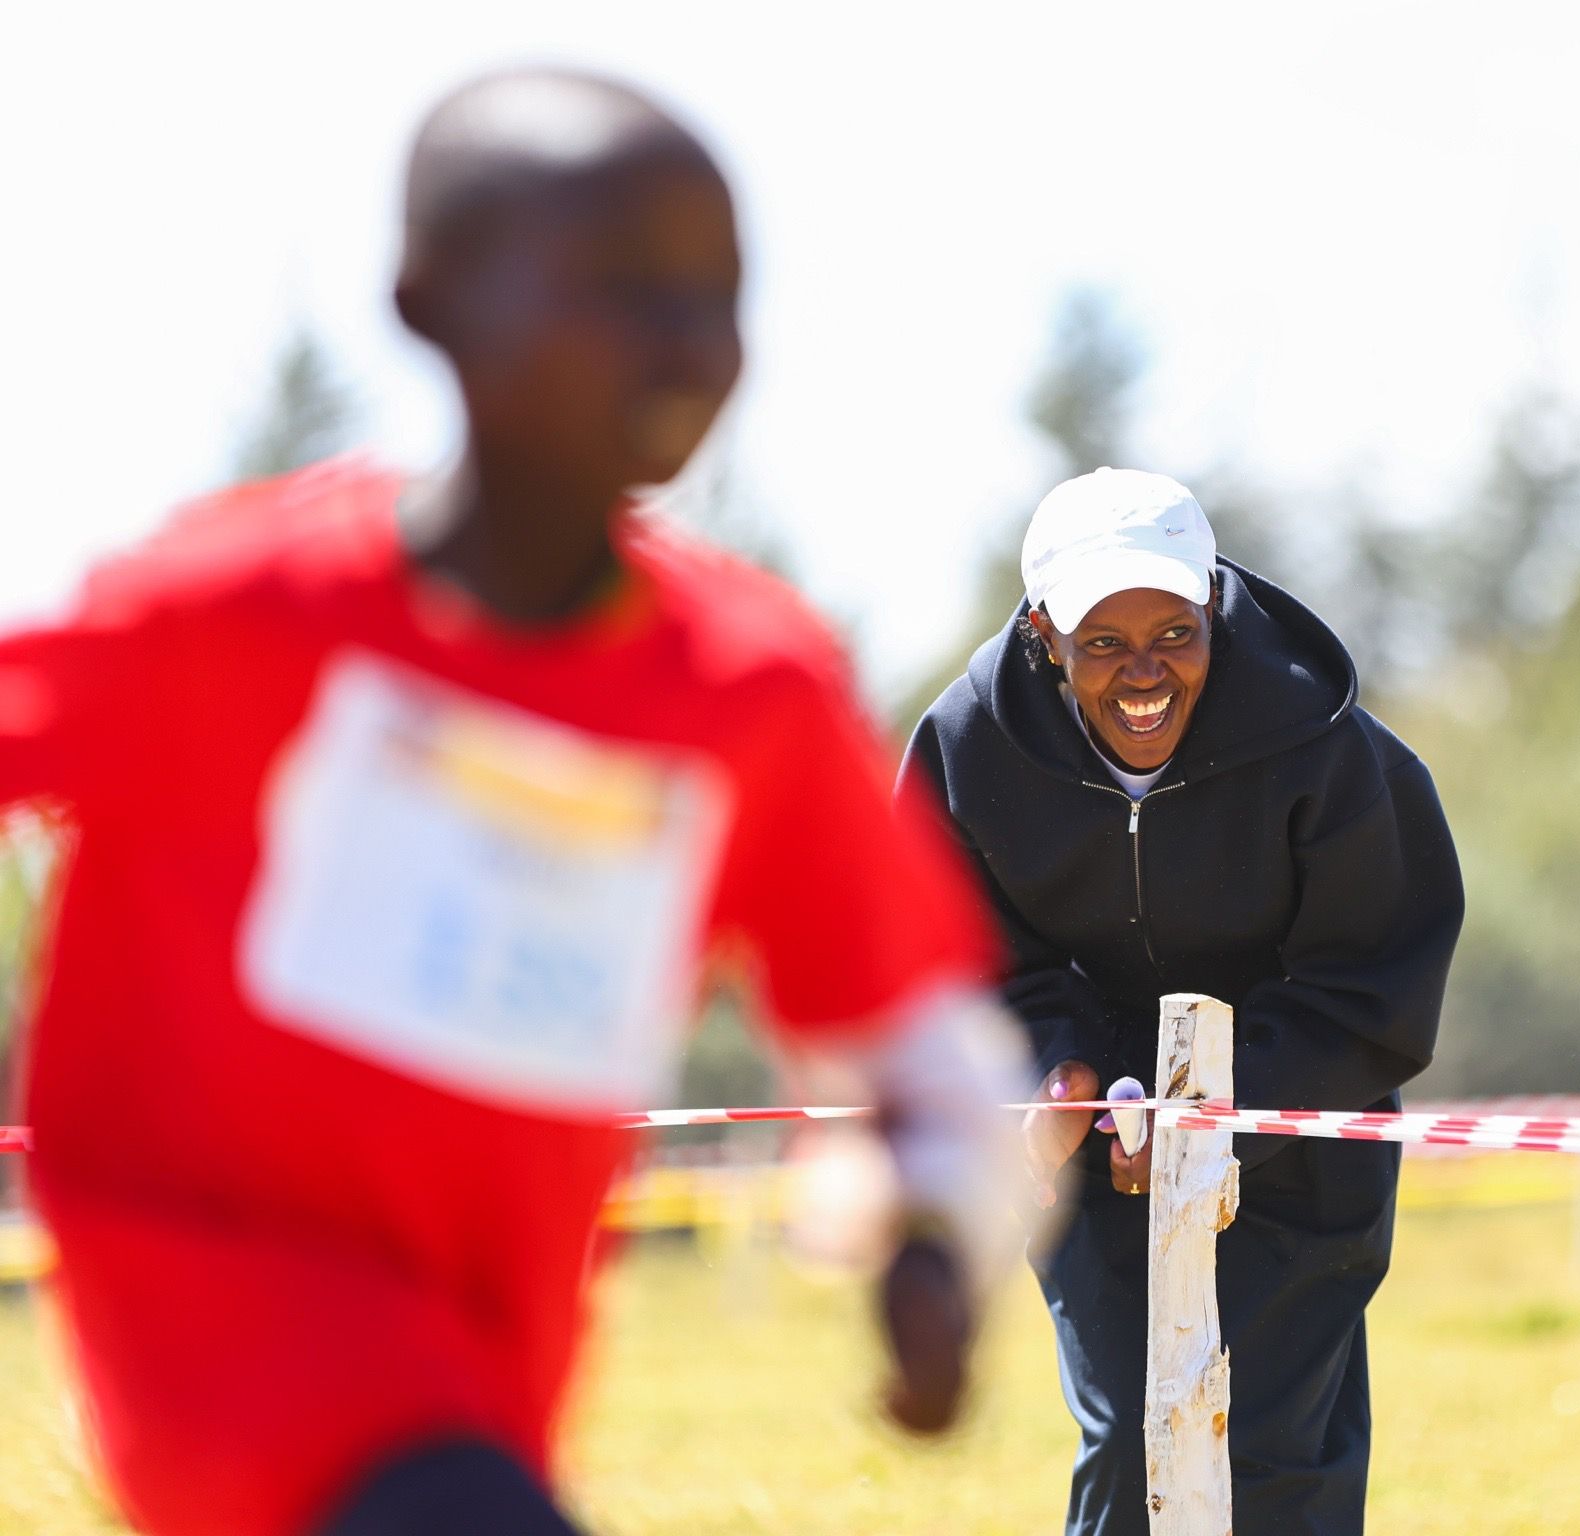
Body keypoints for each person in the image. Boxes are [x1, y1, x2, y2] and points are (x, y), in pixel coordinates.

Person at [0, 70, 1024, 1536]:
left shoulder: (740, 692)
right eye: (619, 286)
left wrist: (930, 1242)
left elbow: (916, 1031)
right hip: (209, 1312)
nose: (684, 337)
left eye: (717, 291)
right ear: (431, 301)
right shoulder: (235, 616)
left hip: (491, 1355)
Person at [902, 468, 1465, 1534]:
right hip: (1085, 1144)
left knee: (1270, 1443)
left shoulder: (1325, 741)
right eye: (1103, 643)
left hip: (1291, 1127)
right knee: (1128, 1437)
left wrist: (1213, 1104)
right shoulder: (967, 750)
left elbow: (1375, 981)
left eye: (1174, 630)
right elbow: (952, 958)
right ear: (1043, 636)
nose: (1144, 671)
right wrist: (1050, 1065)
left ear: (1214, 608)